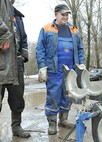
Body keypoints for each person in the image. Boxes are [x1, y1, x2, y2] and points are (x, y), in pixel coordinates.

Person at [36, 4, 85, 135]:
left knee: (67, 94)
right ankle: (52, 123)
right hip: (54, 70)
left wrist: (81, 65)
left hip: (70, 70)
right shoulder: (46, 29)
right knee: (53, 96)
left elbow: (80, 49)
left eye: (67, 14)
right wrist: (42, 66)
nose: (65, 17)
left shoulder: (74, 30)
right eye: (63, 14)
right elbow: (40, 49)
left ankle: (63, 120)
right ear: (56, 14)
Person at [0, 0, 30, 138]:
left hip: (16, 62)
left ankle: (16, 126)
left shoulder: (17, 16)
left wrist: (23, 55)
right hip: (1, 60)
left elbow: (23, 37)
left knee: (17, 97)